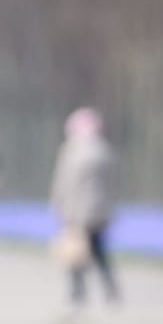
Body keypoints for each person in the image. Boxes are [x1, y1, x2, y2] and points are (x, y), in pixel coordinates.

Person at [49, 107, 119, 309]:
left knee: (75, 252)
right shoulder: (104, 151)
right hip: (98, 210)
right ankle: (109, 285)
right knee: (98, 250)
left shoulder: (70, 151)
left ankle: (77, 291)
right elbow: (112, 185)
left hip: (75, 209)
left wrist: (58, 205)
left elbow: (62, 182)